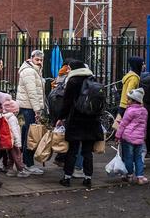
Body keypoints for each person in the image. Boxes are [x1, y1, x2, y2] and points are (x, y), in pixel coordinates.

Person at [56, 60, 103, 188]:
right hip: (91, 121)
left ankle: (67, 178)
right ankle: (88, 178)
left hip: (76, 120)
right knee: (87, 152)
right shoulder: (92, 79)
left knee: (72, 150)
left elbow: (67, 102)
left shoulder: (73, 81)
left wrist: (61, 117)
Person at [16, 50, 45, 174]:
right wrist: (37, 110)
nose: (39, 62)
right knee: (29, 136)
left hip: (24, 108)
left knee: (23, 135)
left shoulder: (33, 70)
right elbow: (32, 93)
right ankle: (28, 163)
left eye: (41, 60)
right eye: (37, 59)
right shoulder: (29, 71)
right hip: (28, 109)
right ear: (31, 58)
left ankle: (20, 162)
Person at [115, 88, 149, 185]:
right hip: (139, 138)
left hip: (128, 138)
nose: (127, 101)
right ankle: (140, 178)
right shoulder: (144, 111)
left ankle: (129, 176)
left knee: (128, 157)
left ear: (134, 100)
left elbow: (123, 125)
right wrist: (144, 136)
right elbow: (144, 125)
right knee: (138, 157)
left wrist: (117, 136)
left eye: (129, 99)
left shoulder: (129, 111)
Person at [0, 94, 31, 178]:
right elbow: (15, 131)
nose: (17, 113)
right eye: (16, 111)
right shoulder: (12, 118)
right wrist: (18, 143)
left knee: (11, 156)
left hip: (8, 141)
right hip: (14, 141)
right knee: (17, 156)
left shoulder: (4, 117)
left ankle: (10, 170)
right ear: (14, 111)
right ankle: (21, 170)